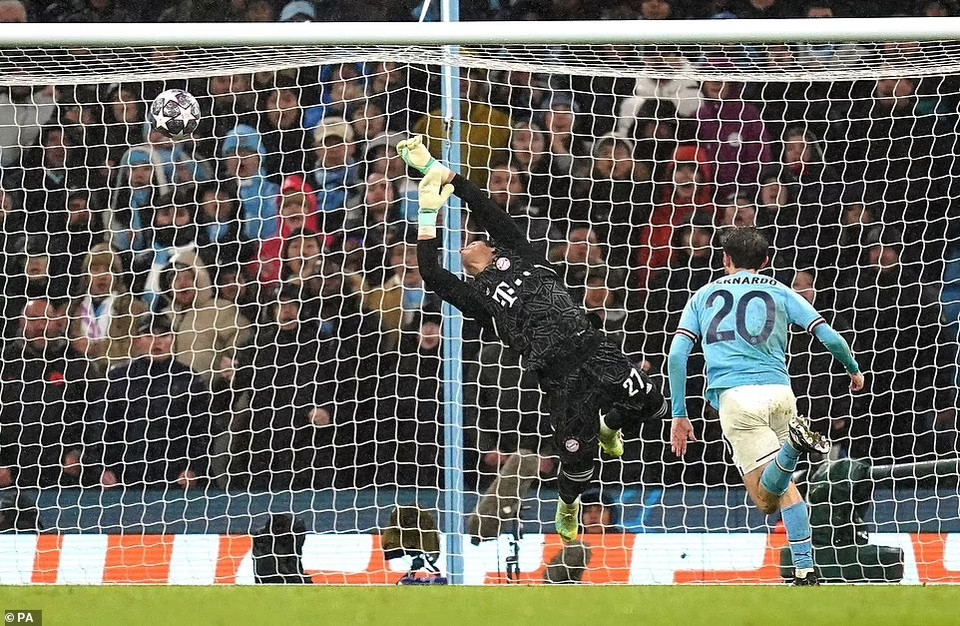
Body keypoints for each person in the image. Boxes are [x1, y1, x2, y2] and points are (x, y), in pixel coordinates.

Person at [398, 135, 667, 544]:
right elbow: (432, 274)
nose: (468, 242)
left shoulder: (522, 253)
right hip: (559, 380)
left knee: (653, 405)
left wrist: (445, 175)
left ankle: (610, 424)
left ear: (489, 246)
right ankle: (568, 506)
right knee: (576, 462)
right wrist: (428, 213)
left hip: (594, 348)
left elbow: (485, 207)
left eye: (475, 238)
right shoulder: (480, 303)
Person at [667, 227, 865, 586]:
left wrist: (679, 413)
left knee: (765, 501)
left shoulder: (703, 296)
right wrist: (853, 370)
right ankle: (805, 570)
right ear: (765, 261)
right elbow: (829, 336)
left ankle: (791, 449)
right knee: (785, 489)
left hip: (738, 400)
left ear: (725, 259)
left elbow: (678, 354)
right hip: (780, 393)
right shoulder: (782, 290)